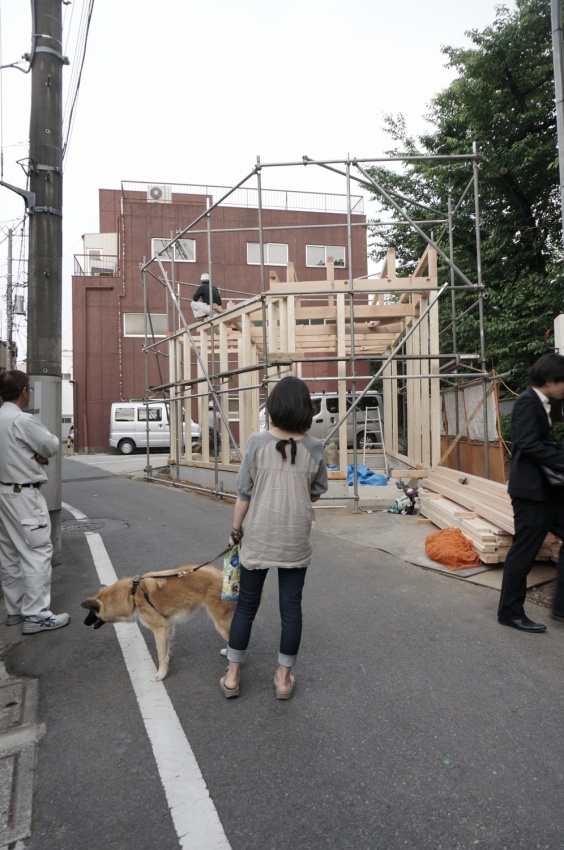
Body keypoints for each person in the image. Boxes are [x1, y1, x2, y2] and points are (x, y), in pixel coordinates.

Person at [220, 375, 328, 700]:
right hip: (295, 538)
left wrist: (235, 532)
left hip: (258, 537)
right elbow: (317, 491)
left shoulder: (255, 442)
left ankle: (233, 676)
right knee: (291, 609)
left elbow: (243, 494)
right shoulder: (315, 448)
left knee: (246, 607)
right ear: (305, 410)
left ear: (274, 408)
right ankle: (283, 679)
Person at [498, 353, 564, 632]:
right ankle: (510, 612)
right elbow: (527, 443)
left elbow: (543, 442)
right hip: (531, 494)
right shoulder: (527, 401)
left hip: (548, 492)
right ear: (550, 381)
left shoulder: (546, 403)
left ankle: (561, 607)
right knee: (523, 553)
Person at [0, 370, 70, 633]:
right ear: (24, 391)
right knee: (37, 552)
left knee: (9, 553)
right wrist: (36, 454)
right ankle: (36, 615)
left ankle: (15, 611)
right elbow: (51, 445)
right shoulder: (23, 420)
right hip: (24, 495)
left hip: (3, 493)